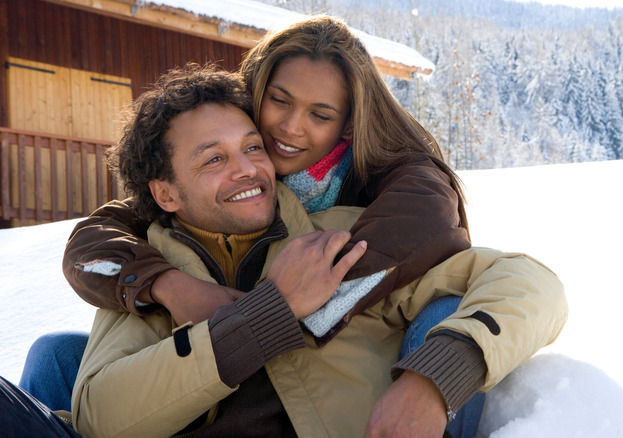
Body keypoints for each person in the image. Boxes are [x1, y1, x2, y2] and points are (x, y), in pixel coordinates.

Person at [1, 64, 567, 437]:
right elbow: (100, 419)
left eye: (252, 147)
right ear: (165, 193)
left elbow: (530, 282)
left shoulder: (343, 240)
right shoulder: (154, 269)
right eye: (213, 159)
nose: (248, 168)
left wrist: (433, 377)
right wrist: (267, 313)